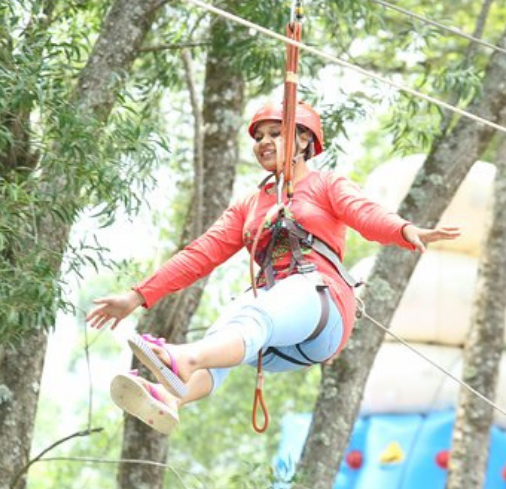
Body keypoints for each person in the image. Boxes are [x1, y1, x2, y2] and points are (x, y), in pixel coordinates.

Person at [87, 100, 460, 434]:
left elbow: (364, 212)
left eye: (275, 133)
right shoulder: (250, 205)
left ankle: (184, 358)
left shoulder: (326, 184)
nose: (263, 142)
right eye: (259, 136)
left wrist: (404, 229)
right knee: (237, 312)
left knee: (264, 303)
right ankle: (174, 399)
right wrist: (137, 296)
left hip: (320, 311)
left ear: (302, 140)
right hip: (273, 338)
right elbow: (201, 253)